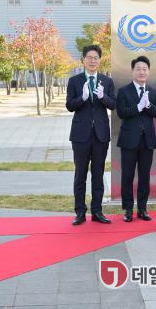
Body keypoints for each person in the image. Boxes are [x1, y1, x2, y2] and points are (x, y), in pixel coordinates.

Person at [65, 45, 116, 226]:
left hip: (100, 135)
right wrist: (83, 98)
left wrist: (103, 97)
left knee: (98, 174)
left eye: (95, 58)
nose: (92, 61)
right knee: (80, 174)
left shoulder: (107, 81)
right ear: (83, 60)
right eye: (89, 57)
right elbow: (69, 106)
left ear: (100, 60)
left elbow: (113, 104)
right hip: (80, 135)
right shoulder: (74, 81)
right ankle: (80, 212)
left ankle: (97, 211)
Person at [116, 55, 156, 222]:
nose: (142, 72)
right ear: (132, 71)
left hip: (147, 140)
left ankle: (142, 208)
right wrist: (138, 107)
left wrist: (148, 106)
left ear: (148, 72)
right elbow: (121, 113)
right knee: (127, 175)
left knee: (144, 176)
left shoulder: (153, 92)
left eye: (144, 69)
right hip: (129, 140)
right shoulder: (123, 91)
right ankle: (128, 209)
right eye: (138, 69)